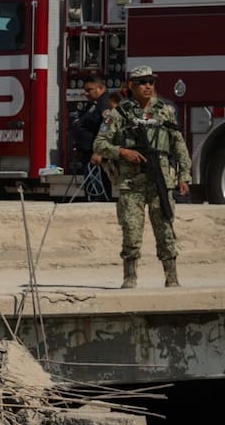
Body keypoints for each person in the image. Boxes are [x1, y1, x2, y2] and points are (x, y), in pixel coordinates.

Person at [93, 65, 192, 288]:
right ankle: (130, 277)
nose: (148, 86)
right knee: (131, 231)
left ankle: (171, 276)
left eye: (151, 82)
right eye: (143, 82)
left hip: (160, 181)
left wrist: (184, 175)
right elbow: (99, 144)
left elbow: (178, 144)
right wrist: (123, 152)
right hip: (131, 182)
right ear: (132, 85)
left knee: (165, 229)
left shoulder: (165, 111)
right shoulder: (119, 113)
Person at [70, 75, 112, 173]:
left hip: (97, 155)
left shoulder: (105, 105)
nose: (86, 93)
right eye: (85, 90)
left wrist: (99, 152)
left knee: (98, 185)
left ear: (101, 88)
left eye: (89, 90)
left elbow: (106, 130)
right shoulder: (94, 103)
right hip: (87, 153)